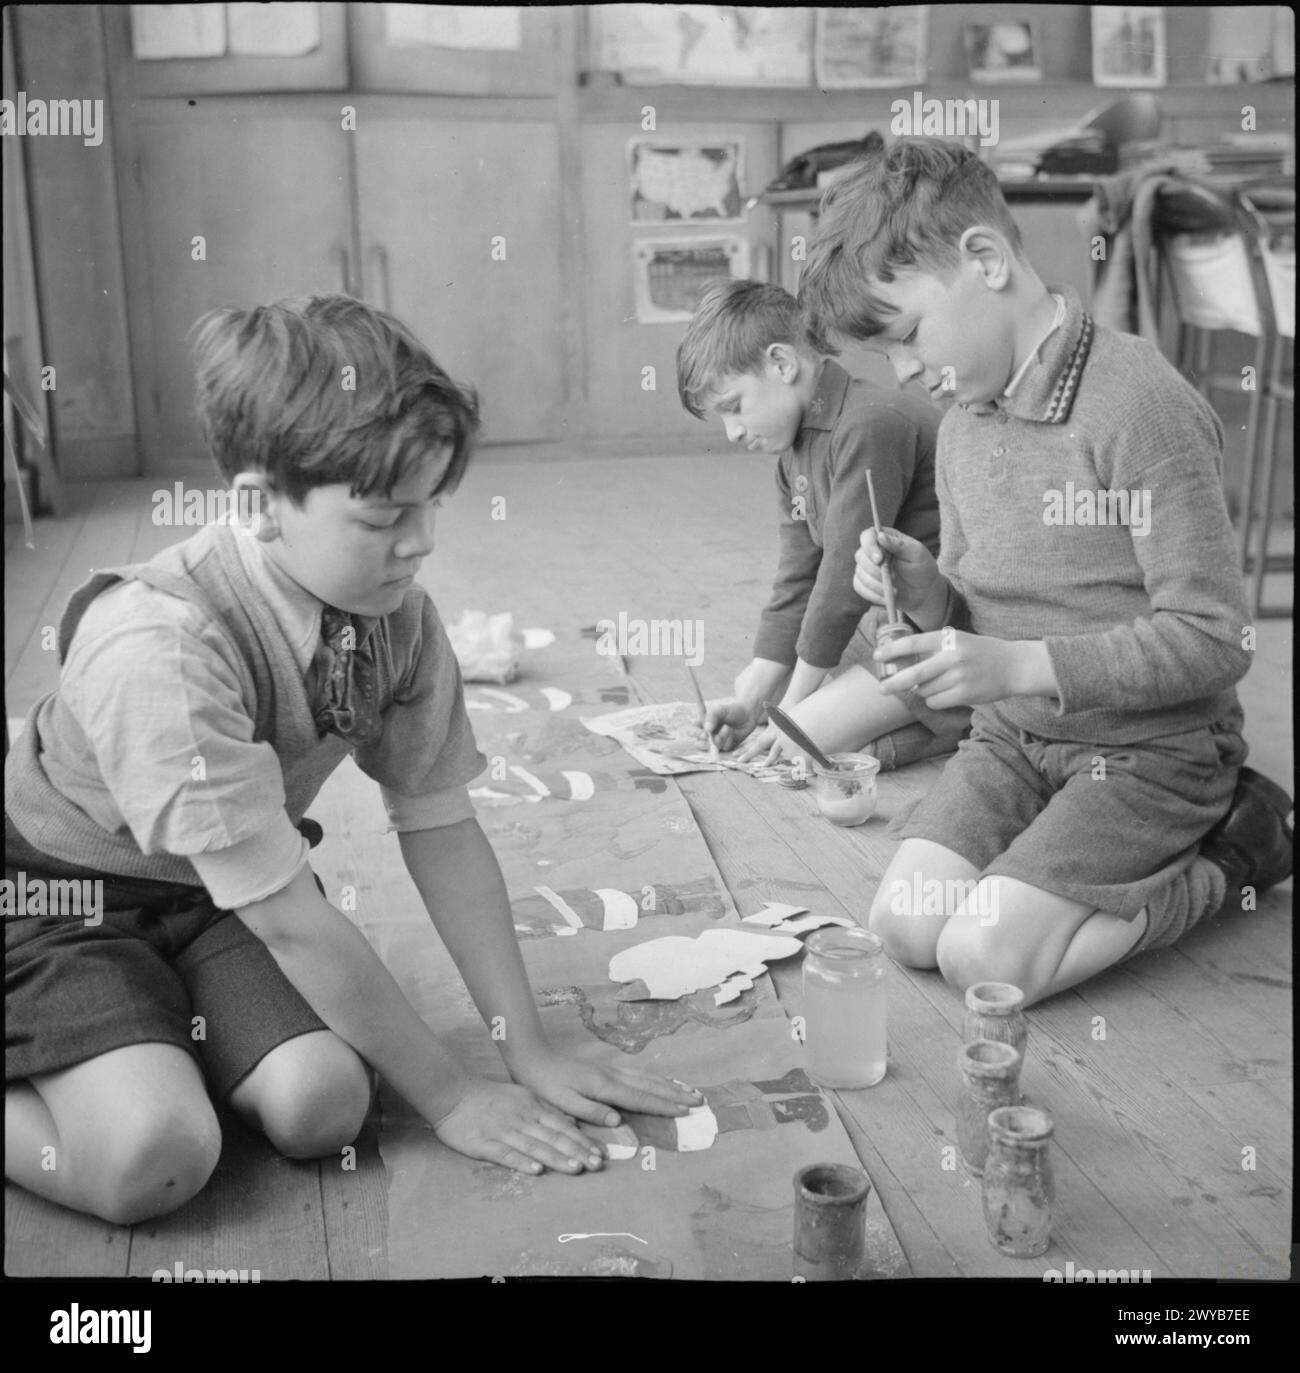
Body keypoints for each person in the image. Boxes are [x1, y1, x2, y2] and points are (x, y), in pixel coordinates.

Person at [4, 294, 698, 1224]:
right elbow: (290, 918)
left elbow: (443, 826)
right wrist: (451, 1095)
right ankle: (127, 1055)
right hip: (64, 904)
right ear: (259, 505)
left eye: (431, 504)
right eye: (383, 517)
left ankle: (154, 1036)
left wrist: (524, 1045)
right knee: (154, 1154)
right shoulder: (158, 645)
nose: (422, 543)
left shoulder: (396, 615)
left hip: (216, 900)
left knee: (323, 1106)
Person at [796, 138, 1292, 1004]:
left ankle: (1238, 848)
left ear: (984, 259)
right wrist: (920, 597)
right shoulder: (961, 422)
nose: (906, 371)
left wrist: (1024, 664)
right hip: (1014, 739)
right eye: (886, 359)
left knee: (984, 961)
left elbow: (1216, 639)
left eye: (907, 336)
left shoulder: (1139, 404)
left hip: (1149, 750)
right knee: (906, 927)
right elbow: (974, 610)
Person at [675, 278, 968, 771]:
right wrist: (757, 696)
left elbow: (838, 582)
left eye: (733, 407)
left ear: (782, 364)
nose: (732, 432)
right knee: (795, 732)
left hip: (943, 627)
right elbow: (797, 577)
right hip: (879, 627)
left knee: (801, 741)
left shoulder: (869, 423)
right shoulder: (792, 457)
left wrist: (792, 712)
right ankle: (920, 721)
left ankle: (969, 721)